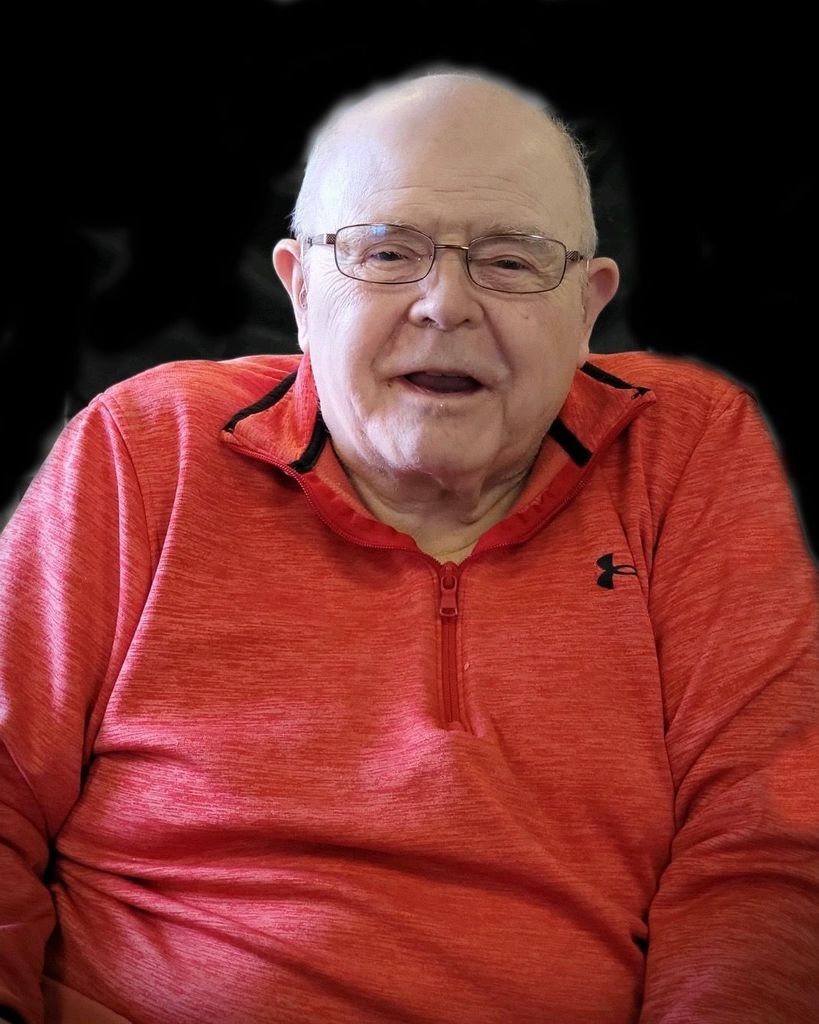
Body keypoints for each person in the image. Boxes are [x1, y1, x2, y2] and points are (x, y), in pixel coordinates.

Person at [1, 66, 817, 1024]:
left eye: (509, 261)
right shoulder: (148, 445)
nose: (444, 305)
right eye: (388, 253)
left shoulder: (685, 450)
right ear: (301, 290)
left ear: (587, 308)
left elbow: (757, 845)